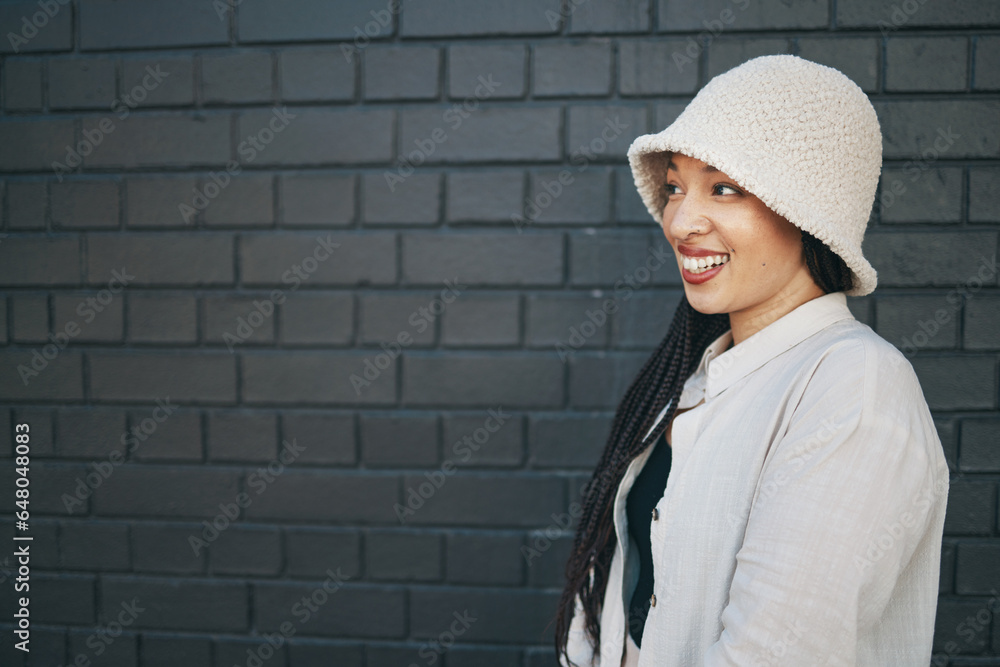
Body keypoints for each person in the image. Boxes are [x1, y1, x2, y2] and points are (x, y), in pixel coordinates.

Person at [552, 54, 950, 667]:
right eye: (677, 186)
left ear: (808, 213)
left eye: (725, 188)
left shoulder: (852, 385)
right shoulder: (702, 376)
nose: (680, 220)